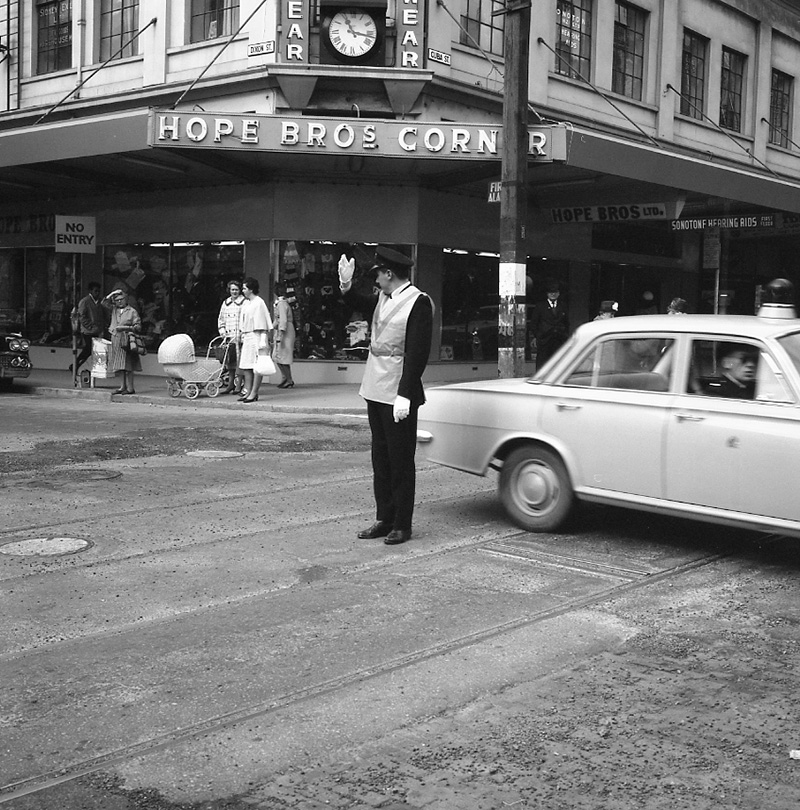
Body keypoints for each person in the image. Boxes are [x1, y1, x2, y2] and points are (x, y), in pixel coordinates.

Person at [338, 246, 433, 546]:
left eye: (377, 274)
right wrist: (345, 285)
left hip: (397, 391)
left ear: (389, 273)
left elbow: (417, 352)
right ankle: (384, 518)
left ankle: (402, 524)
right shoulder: (384, 297)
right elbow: (359, 302)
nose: (375, 280)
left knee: (401, 459)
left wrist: (405, 394)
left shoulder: (418, 302)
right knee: (380, 457)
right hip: (375, 387)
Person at [238, 277, 273, 404]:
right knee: (247, 365)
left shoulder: (259, 302)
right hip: (247, 336)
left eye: (245, 288)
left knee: (257, 366)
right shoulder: (247, 303)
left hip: (257, 336)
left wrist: (264, 341)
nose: (243, 291)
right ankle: (247, 390)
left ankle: (254, 392)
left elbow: (263, 324)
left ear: (251, 289)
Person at [107, 290, 142, 395]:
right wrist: (112, 293)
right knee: (118, 365)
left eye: (121, 299)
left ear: (126, 299)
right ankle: (122, 386)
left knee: (128, 365)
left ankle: (130, 388)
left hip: (127, 339)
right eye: (117, 300)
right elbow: (104, 303)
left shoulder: (132, 311)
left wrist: (126, 328)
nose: (119, 302)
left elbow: (138, 326)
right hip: (116, 339)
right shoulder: (114, 310)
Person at [531, 281, 569, 370]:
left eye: (555, 292)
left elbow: (566, 322)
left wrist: (564, 334)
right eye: (550, 293)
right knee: (542, 362)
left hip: (559, 338)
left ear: (558, 294)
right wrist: (537, 336)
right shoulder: (540, 306)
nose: (553, 294)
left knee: (558, 361)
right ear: (547, 294)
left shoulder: (562, 305)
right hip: (544, 339)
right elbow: (534, 322)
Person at [217, 279, 245, 394]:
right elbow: (221, 319)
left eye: (236, 290)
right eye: (232, 289)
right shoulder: (226, 303)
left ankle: (238, 385)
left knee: (240, 363)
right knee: (230, 363)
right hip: (228, 337)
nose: (234, 292)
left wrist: (243, 334)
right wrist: (222, 332)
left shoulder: (244, 302)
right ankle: (230, 385)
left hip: (240, 337)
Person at [72, 282, 105, 372]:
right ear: (90, 291)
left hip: (97, 330)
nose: (97, 293)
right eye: (95, 291)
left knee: (93, 349)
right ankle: (76, 364)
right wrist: (90, 326)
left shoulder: (99, 302)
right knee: (88, 348)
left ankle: (77, 365)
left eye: (98, 291)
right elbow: (81, 316)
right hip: (87, 330)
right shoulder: (85, 301)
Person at [273, 281, 296, 389]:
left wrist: (280, 335)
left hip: (285, 331)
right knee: (279, 357)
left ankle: (288, 379)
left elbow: (282, 320)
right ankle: (286, 378)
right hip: (285, 330)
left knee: (283, 356)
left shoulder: (281, 303)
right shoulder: (281, 303)